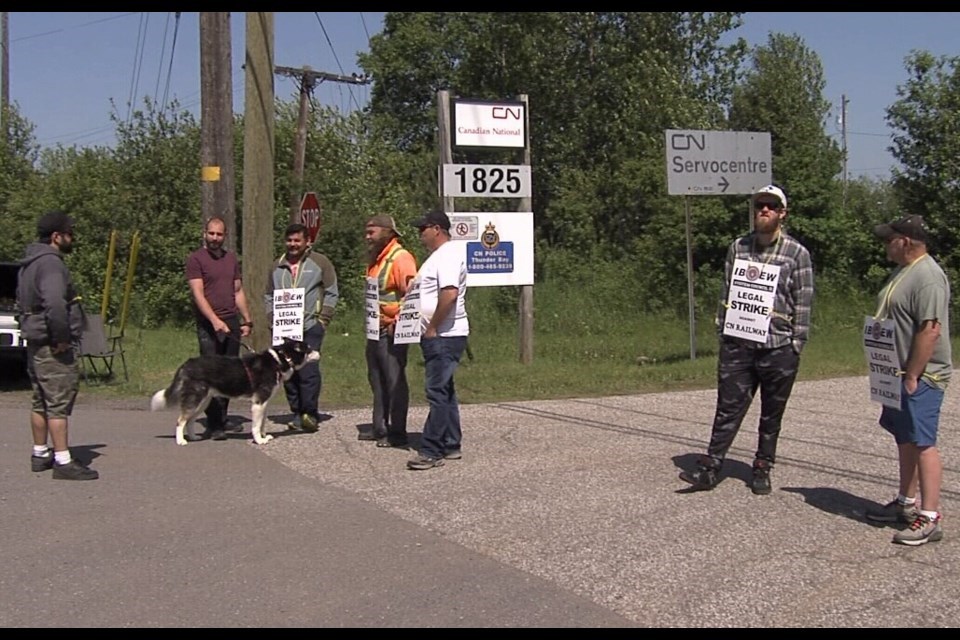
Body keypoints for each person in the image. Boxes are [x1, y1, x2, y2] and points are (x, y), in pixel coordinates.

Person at [680, 184, 814, 494]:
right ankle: (711, 465)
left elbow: (804, 300)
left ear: (782, 213)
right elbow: (726, 290)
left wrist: (797, 344)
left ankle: (762, 466)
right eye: (759, 205)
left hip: (778, 346)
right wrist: (723, 331)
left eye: (770, 206)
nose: (763, 210)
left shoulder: (797, 253)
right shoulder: (738, 247)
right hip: (738, 344)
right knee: (728, 406)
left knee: (771, 411)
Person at [864, 214, 952, 546]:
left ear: (905, 241)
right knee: (905, 438)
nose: (885, 244)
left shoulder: (928, 276)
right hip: (895, 372)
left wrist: (914, 374)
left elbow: (930, 331)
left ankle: (929, 518)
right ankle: (905, 503)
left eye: (889, 239)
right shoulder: (905, 271)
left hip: (922, 375)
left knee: (923, 442)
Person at [17, 210, 98, 480]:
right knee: (57, 402)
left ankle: (40, 453)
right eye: (69, 233)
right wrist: (61, 337)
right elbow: (54, 304)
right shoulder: (51, 263)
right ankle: (63, 460)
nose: (72, 238)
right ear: (56, 236)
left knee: (40, 399)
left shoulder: (30, 261)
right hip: (52, 345)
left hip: (35, 341)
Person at [406, 209, 469, 471]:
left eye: (424, 229)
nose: (420, 234)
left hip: (444, 335)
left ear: (437, 229)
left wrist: (432, 327)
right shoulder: (437, 258)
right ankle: (451, 442)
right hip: (440, 335)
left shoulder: (448, 255)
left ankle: (431, 450)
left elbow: (450, 294)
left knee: (436, 393)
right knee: (445, 390)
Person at [185, 215, 254, 441]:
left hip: (231, 322)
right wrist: (214, 321)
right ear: (205, 234)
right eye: (211, 233)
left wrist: (246, 319)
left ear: (225, 236)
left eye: (219, 234)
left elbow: (238, 291)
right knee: (211, 374)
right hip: (209, 325)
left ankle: (222, 419)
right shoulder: (196, 259)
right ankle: (213, 424)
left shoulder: (231, 259)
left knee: (230, 374)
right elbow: (198, 293)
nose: (215, 238)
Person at [265, 222, 338, 432]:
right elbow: (268, 294)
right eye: (289, 240)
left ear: (307, 241)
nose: (293, 244)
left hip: (310, 325)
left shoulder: (320, 262)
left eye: (297, 240)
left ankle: (309, 413)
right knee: (287, 371)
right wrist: (272, 318)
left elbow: (332, 291)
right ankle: (296, 412)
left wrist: (323, 319)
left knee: (309, 370)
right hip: (285, 327)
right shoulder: (276, 265)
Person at [361, 215, 418, 448]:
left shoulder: (401, 258)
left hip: (391, 329)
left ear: (387, 232)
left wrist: (399, 321)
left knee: (394, 380)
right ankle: (379, 427)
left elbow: (412, 294)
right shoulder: (377, 259)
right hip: (375, 328)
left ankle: (397, 432)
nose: (367, 237)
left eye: (371, 232)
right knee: (376, 379)